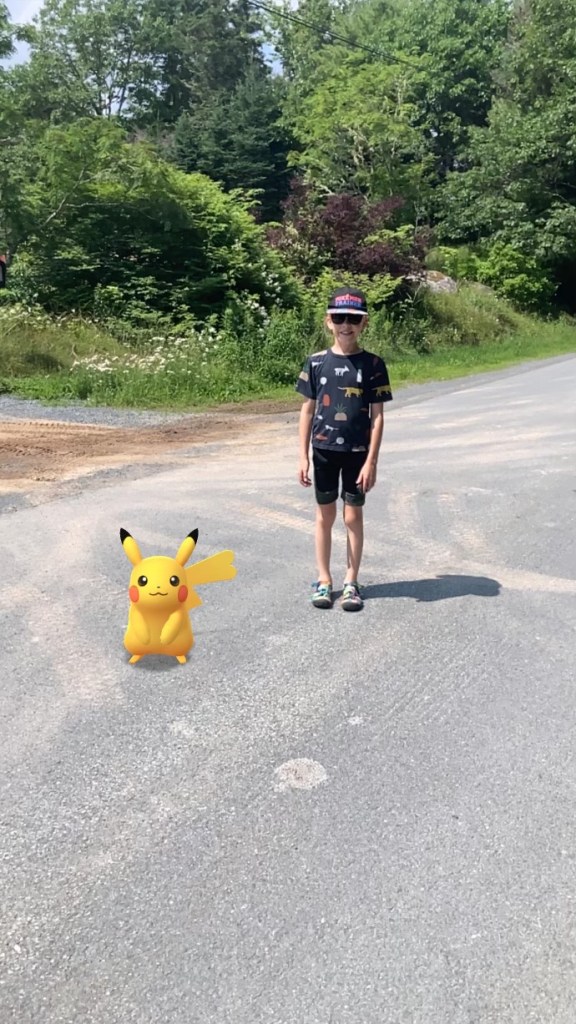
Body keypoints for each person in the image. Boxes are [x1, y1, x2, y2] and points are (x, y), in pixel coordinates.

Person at [295, 287, 393, 610]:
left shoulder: (373, 364)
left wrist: (371, 462)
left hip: (357, 454)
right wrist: (302, 457)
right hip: (323, 451)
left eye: (353, 318)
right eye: (339, 318)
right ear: (329, 321)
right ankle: (324, 579)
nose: (346, 325)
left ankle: (351, 581)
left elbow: (377, 417)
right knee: (325, 516)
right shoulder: (316, 363)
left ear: (364, 323)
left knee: (352, 516)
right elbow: (307, 411)